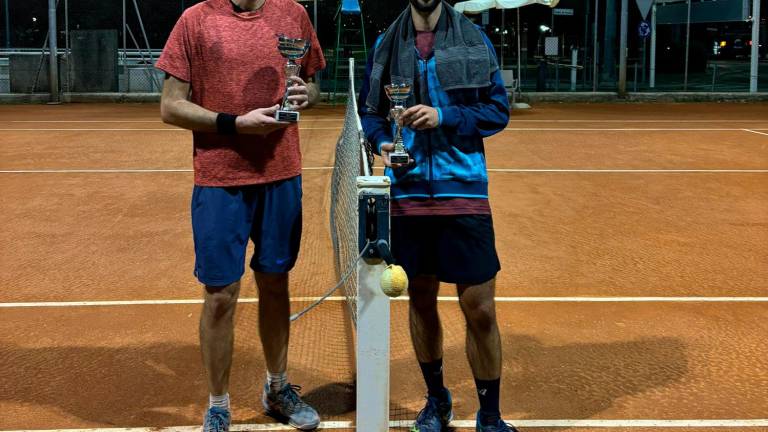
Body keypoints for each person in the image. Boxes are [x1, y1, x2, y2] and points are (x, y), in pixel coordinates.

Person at [156, 0, 325, 430]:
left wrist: (308, 94)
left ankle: (277, 387)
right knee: (219, 297)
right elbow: (171, 106)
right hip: (219, 180)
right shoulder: (194, 20)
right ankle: (218, 405)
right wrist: (235, 123)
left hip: (281, 174)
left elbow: (312, 85)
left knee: (275, 283)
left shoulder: (294, 14)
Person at [358, 0, 513, 431]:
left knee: (479, 307)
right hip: (408, 194)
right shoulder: (386, 45)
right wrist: (383, 144)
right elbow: (371, 114)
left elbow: (498, 111)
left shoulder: (475, 40)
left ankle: (491, 415)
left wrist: (444, 115)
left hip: (463, 191)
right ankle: (437, 399)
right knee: (421, 300)